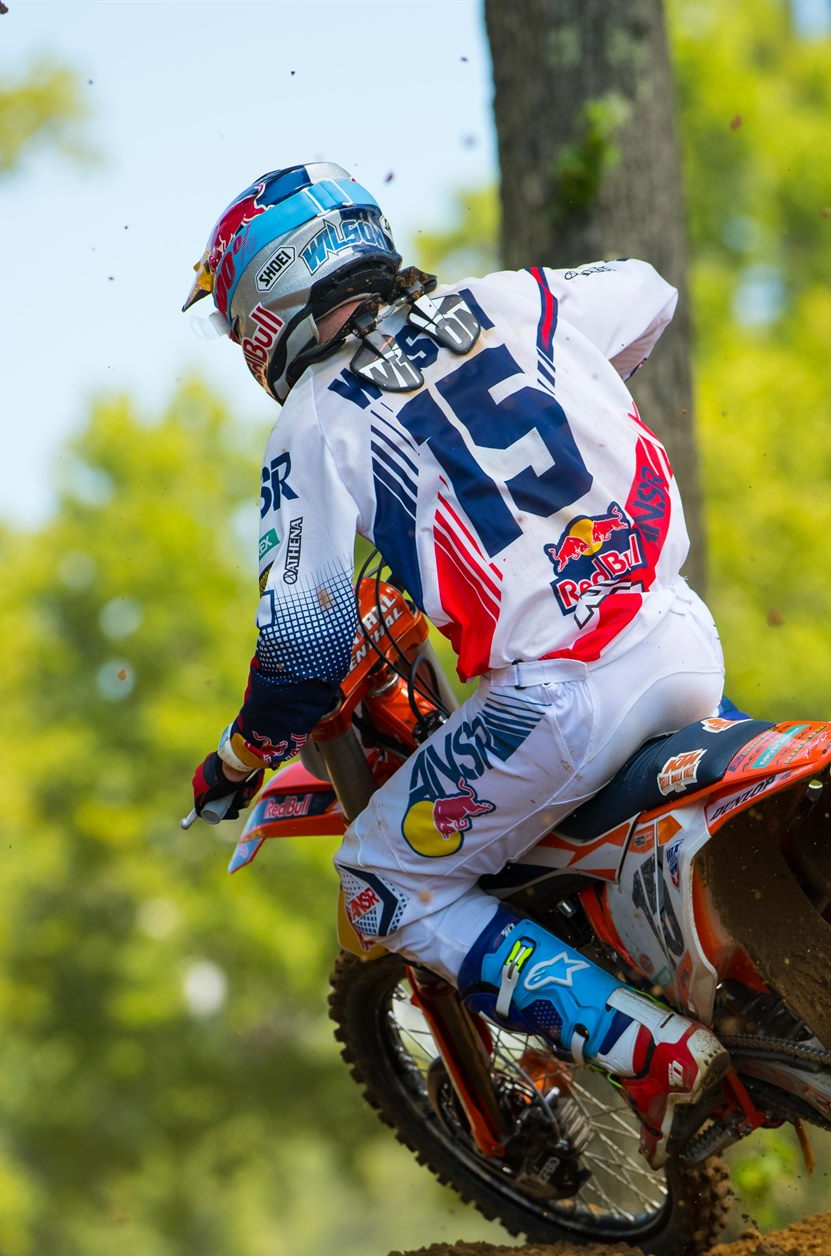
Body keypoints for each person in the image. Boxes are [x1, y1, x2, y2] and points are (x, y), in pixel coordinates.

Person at [185, 163, 729, 1164]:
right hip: (682, 632)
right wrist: (591, 384)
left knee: (379, 881)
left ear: (266, 296)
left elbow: (304, 652)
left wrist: (236, 757)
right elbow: (649, 289)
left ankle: (651, 1052)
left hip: (558, 703)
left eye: (234, 320)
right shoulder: (513, 297)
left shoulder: (313, 421)